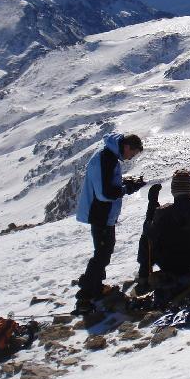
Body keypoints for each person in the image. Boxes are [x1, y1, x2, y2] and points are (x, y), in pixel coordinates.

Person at [74, 133, 144, 311]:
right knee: (103, 252)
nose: (131, 158)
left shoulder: (108, 156)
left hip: (103, 214)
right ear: (127, 146)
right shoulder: (106, 159)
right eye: (133, 153)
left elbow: (108, 184)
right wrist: (126, 189)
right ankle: (87, 294)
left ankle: (94, 285)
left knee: (104, 250)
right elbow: (104, 193)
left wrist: (126, 183)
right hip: (100, 214)